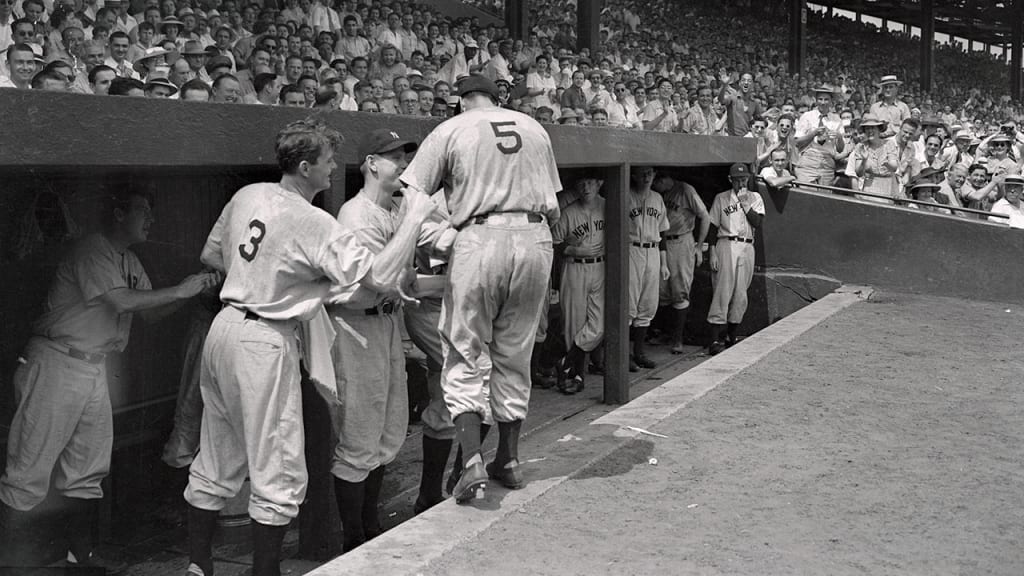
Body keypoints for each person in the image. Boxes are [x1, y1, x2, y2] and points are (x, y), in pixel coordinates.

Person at [183, 119, 435, 576]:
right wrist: (415, 216)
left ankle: (199, 565)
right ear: (304, 167)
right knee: (278, 466)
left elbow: (212, 256)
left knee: (218, 454)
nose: (333, 169)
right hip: (265, 336)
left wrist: (275, 275)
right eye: (326, 162)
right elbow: (377, 278)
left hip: (224, 328)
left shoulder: (249, 195)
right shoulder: (314, 220)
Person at [0, 192, 219, 571]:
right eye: (142, 211)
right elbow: (121, 301)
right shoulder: (92, 250)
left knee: (87, 469)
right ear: (118, 213)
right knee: (28, 470)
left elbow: (149, 312)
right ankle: (10, 562)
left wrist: (190, 290)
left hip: (93, 366)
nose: (150, 218)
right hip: (57, 361)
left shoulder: (128, 259)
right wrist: (181, 289)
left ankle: (78, 559)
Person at [400, 76, 561, 504]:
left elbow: (413, 197)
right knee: (515, 352)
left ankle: (471, 459)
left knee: (465, 352)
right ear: (498, 98)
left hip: (480, 235)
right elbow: (554, 203)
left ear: (461, 101)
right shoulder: (533, 126)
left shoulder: (452, 127)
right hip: (535, 236)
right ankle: (507, 459)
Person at [327, 129, 420, 553]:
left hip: (385, 323)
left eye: (404, 156)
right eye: (391, 156)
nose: (400, 163)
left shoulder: (394, 211)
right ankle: (352, 539)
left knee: (387, 429)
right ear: (370, 163)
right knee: (359, 435)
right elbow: (379, 281)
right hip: (355, 325)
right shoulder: (357, 214)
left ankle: (370, 524)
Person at [551, 177, 605, 394]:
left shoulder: (609, 205)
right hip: (574, 267)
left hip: (601, 267)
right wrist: (572, 249)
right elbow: (553, 242)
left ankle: (565, 361)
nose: (585, 187)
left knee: (599, 325)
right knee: (573, 325)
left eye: (590, 183)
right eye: (581, 183)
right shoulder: (568, 212)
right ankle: (576, 375)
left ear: (599, 183)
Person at [707, 164, 764, 355]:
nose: (741, 182)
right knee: (723, 290)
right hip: (726, 243)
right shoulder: (721, 198)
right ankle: (715, 339)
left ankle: (731, 336)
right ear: (731, 179)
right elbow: (713, 227)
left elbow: (757, 222)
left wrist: (746, 204)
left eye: (744, 178)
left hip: (747, 245)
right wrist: (712, 252)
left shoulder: (755, 197)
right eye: (738, 179)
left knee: (741, 293)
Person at [652, 172, 709, 354]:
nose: (653, 186)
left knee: (680, 290)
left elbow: (705, 217)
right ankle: (664, 333)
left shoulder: (685, 189)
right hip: (661, 241)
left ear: (662, 179)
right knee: (660, 290)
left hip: (681, 240)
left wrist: (699, 247)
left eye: (655, 183)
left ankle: (678, 339)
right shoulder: (658, 194)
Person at [626, 166, 670, 371]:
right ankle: (623, 356)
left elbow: (663, 233)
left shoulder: (657, 198)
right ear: (634, 175)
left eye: (650, 173)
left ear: (654, 176)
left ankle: (639, 353)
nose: (646, 177)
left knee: (648, 304)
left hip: (652, 250)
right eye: (642, 173)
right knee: (629, 303)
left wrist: (664, 263)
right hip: (631, 249)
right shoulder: (625, 195)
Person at [846, 114, 900, 203]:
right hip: (870, 187)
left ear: (879, 129)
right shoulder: (861, 147)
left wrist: (886, 163)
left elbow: (894, 168)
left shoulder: (889, 144)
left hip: (888, 186)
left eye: (873, 128)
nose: (870, 131)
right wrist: (864, 160)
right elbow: (858, 173)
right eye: (867, 128)